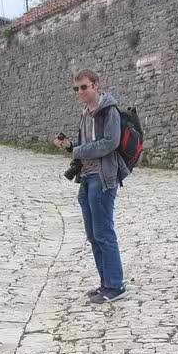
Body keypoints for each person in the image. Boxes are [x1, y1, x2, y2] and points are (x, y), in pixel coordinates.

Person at [53, 69, 129, 304]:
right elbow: (86, 146)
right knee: (92, 235)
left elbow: (110, 143)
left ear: (96, 85)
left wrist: (78, 150)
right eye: (76, 89)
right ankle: (105, 282)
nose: (80, 92)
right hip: (86, 178)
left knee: (104, 232)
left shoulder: (110, 112)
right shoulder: (86, 114)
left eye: (84, 87)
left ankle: (116, 285)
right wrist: (71, 146)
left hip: (103, 177)